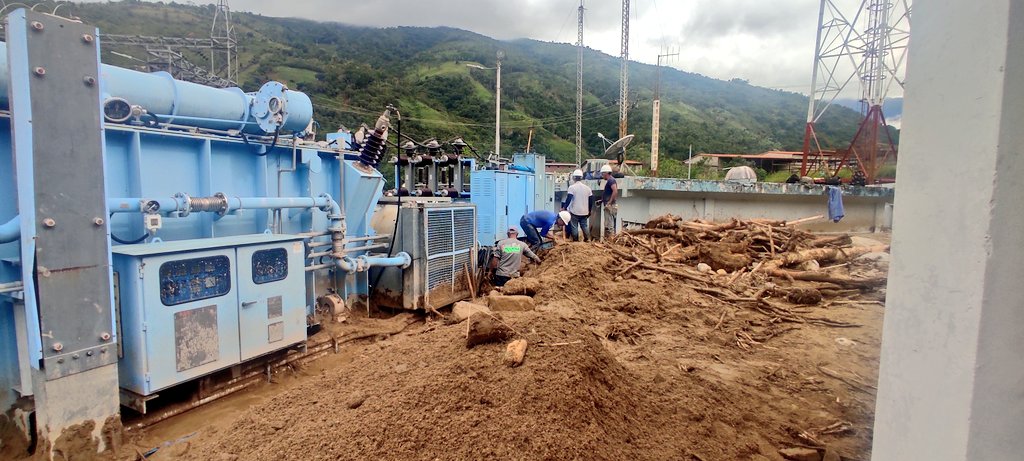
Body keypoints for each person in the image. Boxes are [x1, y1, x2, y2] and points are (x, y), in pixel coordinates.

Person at [561, 169, 592, 241]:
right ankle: (588, 239)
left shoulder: (572, 187)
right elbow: (591, 200)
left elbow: (569, 199)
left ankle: (576, 240)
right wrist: (590, 210)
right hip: (584, 212)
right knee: (584, 226)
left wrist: (564, 208)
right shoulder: (588, 188)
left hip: (574, 211)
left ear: (574, 177)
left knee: (574, 226)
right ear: (582, 178)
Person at [599, 164, 618, 237]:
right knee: (609, 224)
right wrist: (602, 200)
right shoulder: (610, 180)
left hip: (610, 205)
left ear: (605, 173)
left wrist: (609, 202)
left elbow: (615, 191)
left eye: (602, 173)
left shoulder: (611, 180)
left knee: (609, 225)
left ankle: (611, 240)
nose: (602, 175)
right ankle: (610, 240)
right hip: (609, 204)